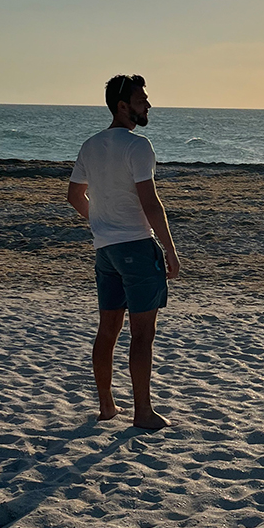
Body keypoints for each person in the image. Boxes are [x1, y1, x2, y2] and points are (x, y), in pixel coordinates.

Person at [67, 74, 180, 430]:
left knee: (107, 330)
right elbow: (150, 202)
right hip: (136, 245)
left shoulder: (90, 145)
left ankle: (107, 407)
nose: (147, 105)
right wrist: (170, 249)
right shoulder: (138, 145)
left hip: (106, 250)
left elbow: (74, 196)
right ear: (123, 106)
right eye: (141, 99)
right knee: (142, 334)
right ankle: (142, 413)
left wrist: (101, 222)